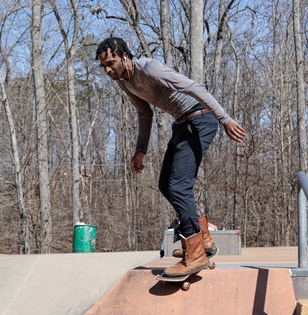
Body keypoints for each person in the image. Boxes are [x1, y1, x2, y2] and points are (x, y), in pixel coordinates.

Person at [96, 37, 247, 277]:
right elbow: (145, 114)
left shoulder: (149, 69)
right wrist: (140, 150)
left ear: (124, 56)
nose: (108, 70)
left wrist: (225, 118)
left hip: (201, 119)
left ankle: (195, 253)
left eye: (112, 63)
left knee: (179, 186)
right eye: (104, 66)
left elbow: (195, 88)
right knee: (166, 184)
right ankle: (203, 238)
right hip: (183, 124)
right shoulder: (124, 82)